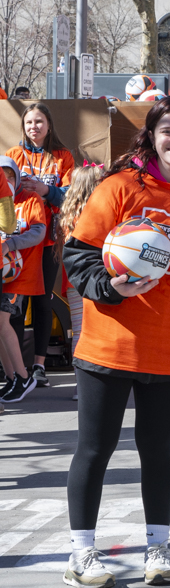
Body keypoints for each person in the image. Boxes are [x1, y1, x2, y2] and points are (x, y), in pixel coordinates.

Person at [62, 96, 170, 588]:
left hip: (167, 345)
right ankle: (82, 554)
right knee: (96, 449)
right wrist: (112, 288)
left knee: (158, 451)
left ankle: (159, 547)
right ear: (151, 137)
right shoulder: (119, 188)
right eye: (167, 132)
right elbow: (78, 256)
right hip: (108, 344)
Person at [5, 103, 75, 388]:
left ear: (49, 125)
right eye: (29, 122)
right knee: (15, 306)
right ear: (23, 126)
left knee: (43, 302)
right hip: (19, 242)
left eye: (39, 121)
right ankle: (16, 368)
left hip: (48, 241)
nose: (34, 127)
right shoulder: (13, 155)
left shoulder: (62, 156)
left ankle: (39, 365)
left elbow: (72, 195)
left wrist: (47, 191)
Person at [56, 161, 104, 401]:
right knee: (98, 332)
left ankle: (81, 386)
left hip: (73, 282)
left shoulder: (68, 216)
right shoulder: (100, 213)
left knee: (80, 333)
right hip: (99, 280)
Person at [0, 158, 40, 404]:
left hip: (17, 274)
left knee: (3, 323)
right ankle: (11, 376)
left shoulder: (29, 200)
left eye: (10, 176)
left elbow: (38, 232)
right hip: (2, 274)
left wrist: (9, 245)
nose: (6, 180)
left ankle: (24, 377)